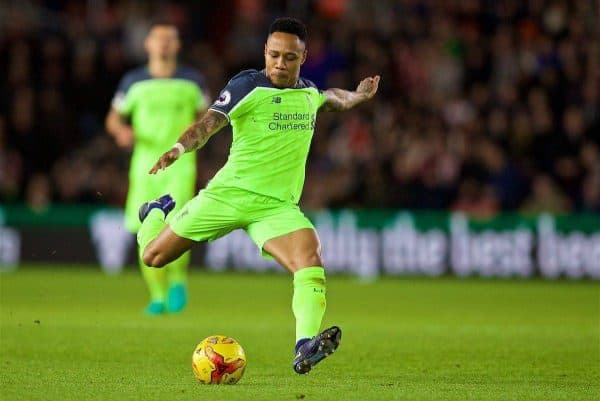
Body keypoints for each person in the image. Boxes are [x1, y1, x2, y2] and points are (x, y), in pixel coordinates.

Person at [137, 17, 379, 374]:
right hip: (227, 196)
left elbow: (332, 99)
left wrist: (357, 96)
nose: (280, 64)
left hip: (276, 208)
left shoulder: (307, 93)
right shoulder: (246, 86)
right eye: (274, 55)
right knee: (153, 257)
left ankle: (304, 346)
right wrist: (177, 148)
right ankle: (155, 213)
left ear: (303, 57)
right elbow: (207, 125)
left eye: (289, 58)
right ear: (265, 52)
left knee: (310, 262)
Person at [105, 21, 209, 315]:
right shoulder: (132, 82)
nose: (163, 44)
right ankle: (156, 296)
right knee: (142, 228)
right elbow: (113, 119)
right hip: (144, 166)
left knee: (175, 224)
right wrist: (120, 132)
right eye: (158, 39)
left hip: (179, 164)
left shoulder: (193, 81)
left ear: (177, 46)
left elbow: (208, 116)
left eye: (170, 39)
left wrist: (197, 126)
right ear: (147, 44)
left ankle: (177, 280)